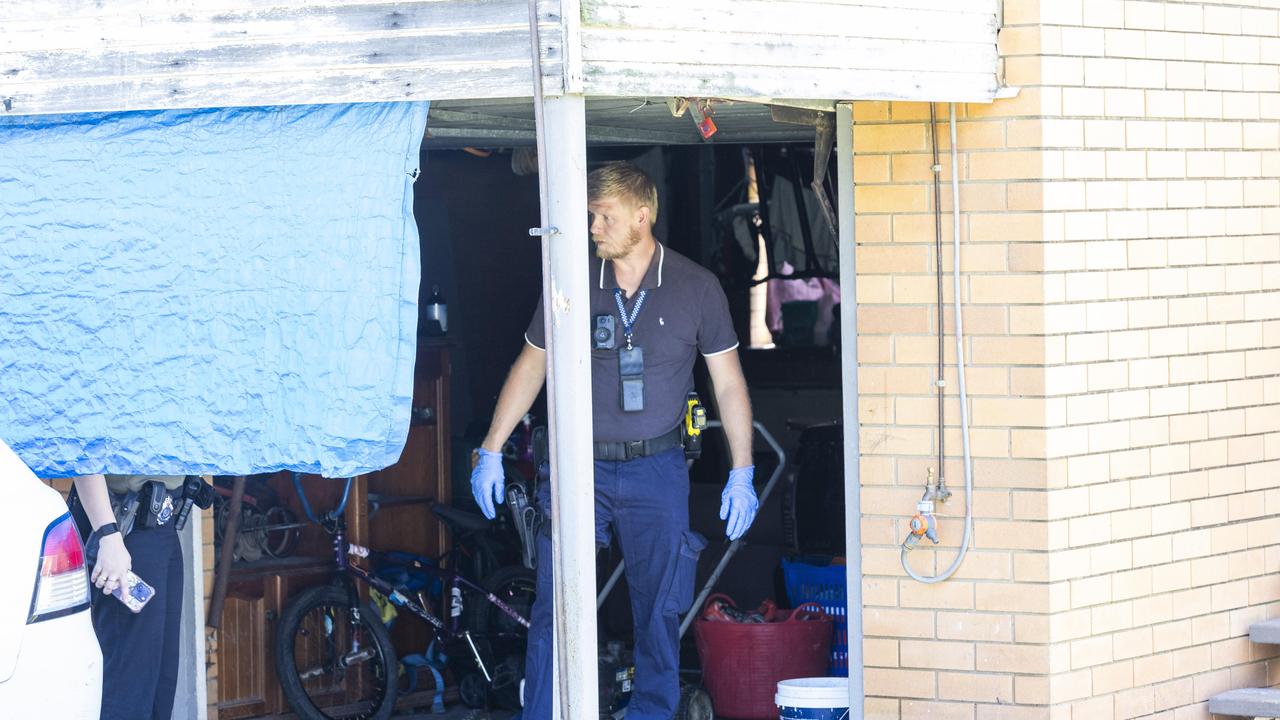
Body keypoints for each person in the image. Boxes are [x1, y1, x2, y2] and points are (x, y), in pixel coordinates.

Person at [469, 161, 759, 719]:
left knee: (659, 610)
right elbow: (533, 366)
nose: (594, 226)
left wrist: (741, 470)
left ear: (642, 216)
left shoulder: (695, 287)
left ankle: (650, 713)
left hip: (659, 469)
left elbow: (728, 383)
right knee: (557, 606)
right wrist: (490, 448)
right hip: (581, 470)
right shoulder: (573, 281)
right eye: (590, 216)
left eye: (605, 216)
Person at [72, 473, 187, 720]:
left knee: (161, 681)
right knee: (129, 679)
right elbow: (83, 454)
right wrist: (107, 535)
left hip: (163, 524)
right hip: (125, 528)